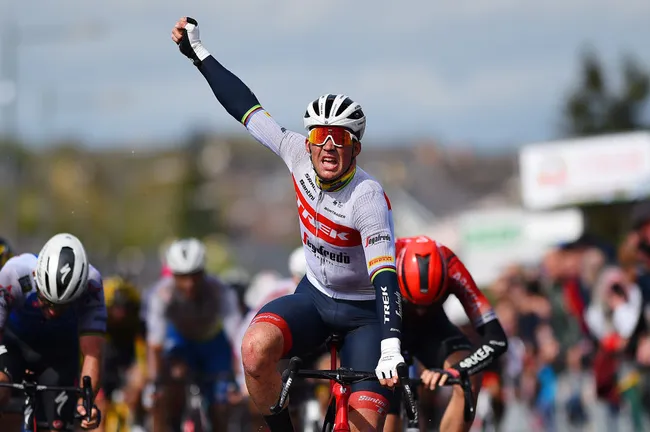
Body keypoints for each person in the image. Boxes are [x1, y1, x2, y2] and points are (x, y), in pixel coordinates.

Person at [171, 16, 404, 432]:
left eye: (341, 139)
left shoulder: (367, 198)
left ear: (356, 149)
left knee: (366, 425)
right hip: (313, 298)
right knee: (254, 351)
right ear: (309, 139)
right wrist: (199, 55)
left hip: (365, 314)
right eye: (320, 137)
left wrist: (390, 343)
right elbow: (244, 107)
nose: (328, 147)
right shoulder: (295, 152)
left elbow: (386, 278)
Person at [384, 236, 509, 432]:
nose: (420, 310)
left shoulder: (453, 267)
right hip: (390, 328)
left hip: (433, 330)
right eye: (414, 304)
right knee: (386, 408)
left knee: (469, 377)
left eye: (428, 303)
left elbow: (497, 339)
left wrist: (456, 371)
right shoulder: (385, 257)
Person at [0, 233, 105, 431]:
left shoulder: (92, 285)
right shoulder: (13, 274)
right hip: (14, 344)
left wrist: (86, 402)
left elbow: (93, 353)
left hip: (59, 352)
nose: (51, 311)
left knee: (58, 426)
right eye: (46, 300)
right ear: (35, 277)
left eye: (61, 306)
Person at [145, 238, 242, 431]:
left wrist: (238, 376)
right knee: (172, 384)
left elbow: (237, 336)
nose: (189, 284)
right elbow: (156, 343)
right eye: (182, 277)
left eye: (195, 276)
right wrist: (155, 381)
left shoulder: (219, 290)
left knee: (220, 407)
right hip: (180, 342)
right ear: (172, 274)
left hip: (213, 345)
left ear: (204, 271)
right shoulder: (161, 294)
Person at [95, 274, 147, 432]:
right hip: (104, 363)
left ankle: (137, 422)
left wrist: (140, 381)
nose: (121, 314)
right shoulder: (97, 324)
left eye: (126, 308)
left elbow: (144, 358)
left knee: (140, 386)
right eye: (116, 308)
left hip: (127, 359)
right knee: (98, 407)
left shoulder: (139, 325)